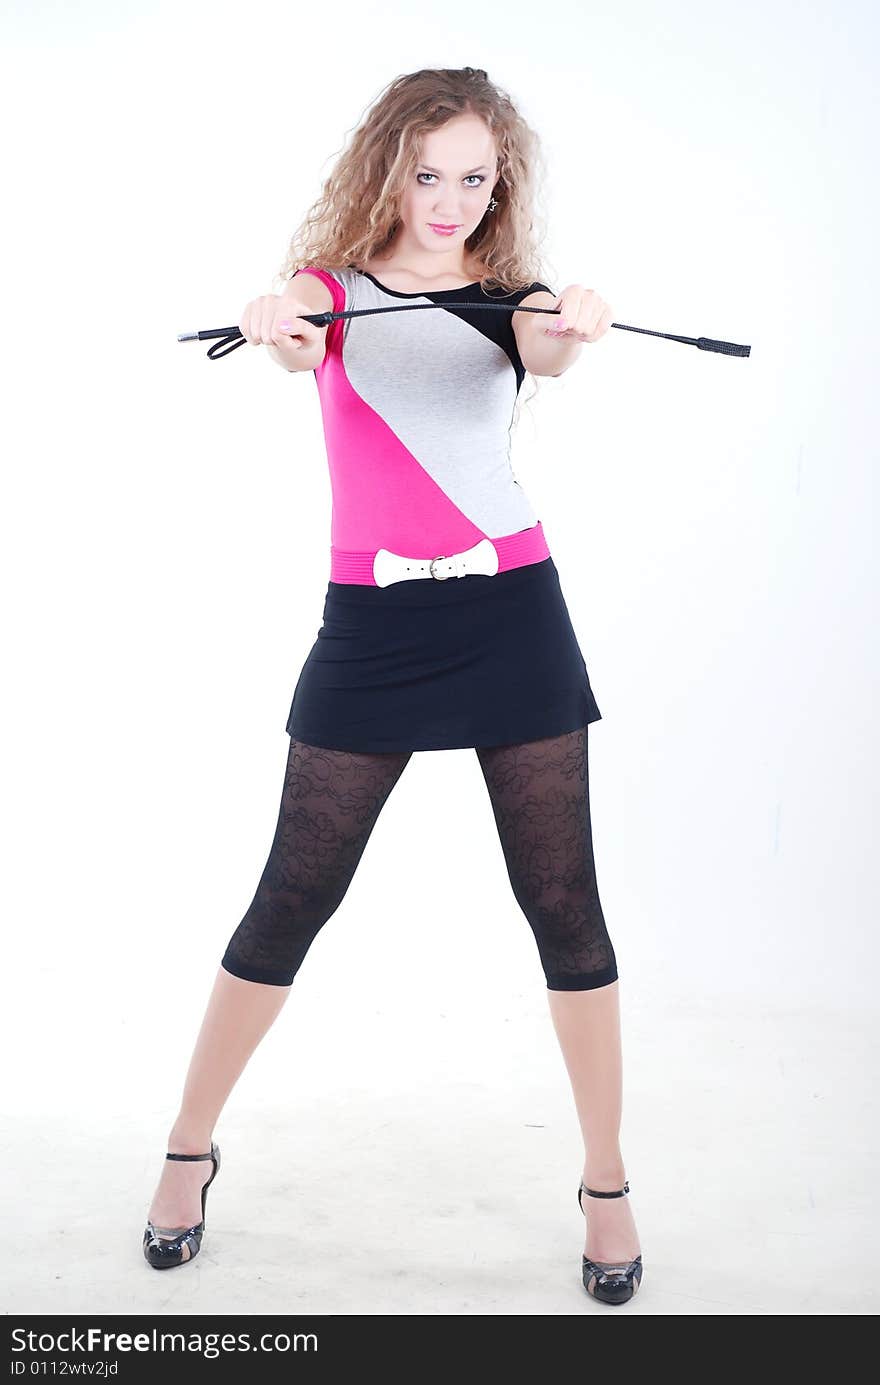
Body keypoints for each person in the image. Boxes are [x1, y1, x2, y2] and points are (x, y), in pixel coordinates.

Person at [143, 65, 643, 1306]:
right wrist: (271, 318)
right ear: (386, 169)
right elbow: (293, 328)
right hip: (371, 628)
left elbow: (551, 349)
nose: (449, 199)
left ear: (498, 184)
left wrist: (577, 313)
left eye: (474, 178)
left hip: (514, 613)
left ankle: (605, 1177)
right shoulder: (331, 292)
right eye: (428, 174)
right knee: (290, 895)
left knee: (562, 902)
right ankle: (187, 1146)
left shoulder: (508, 300)